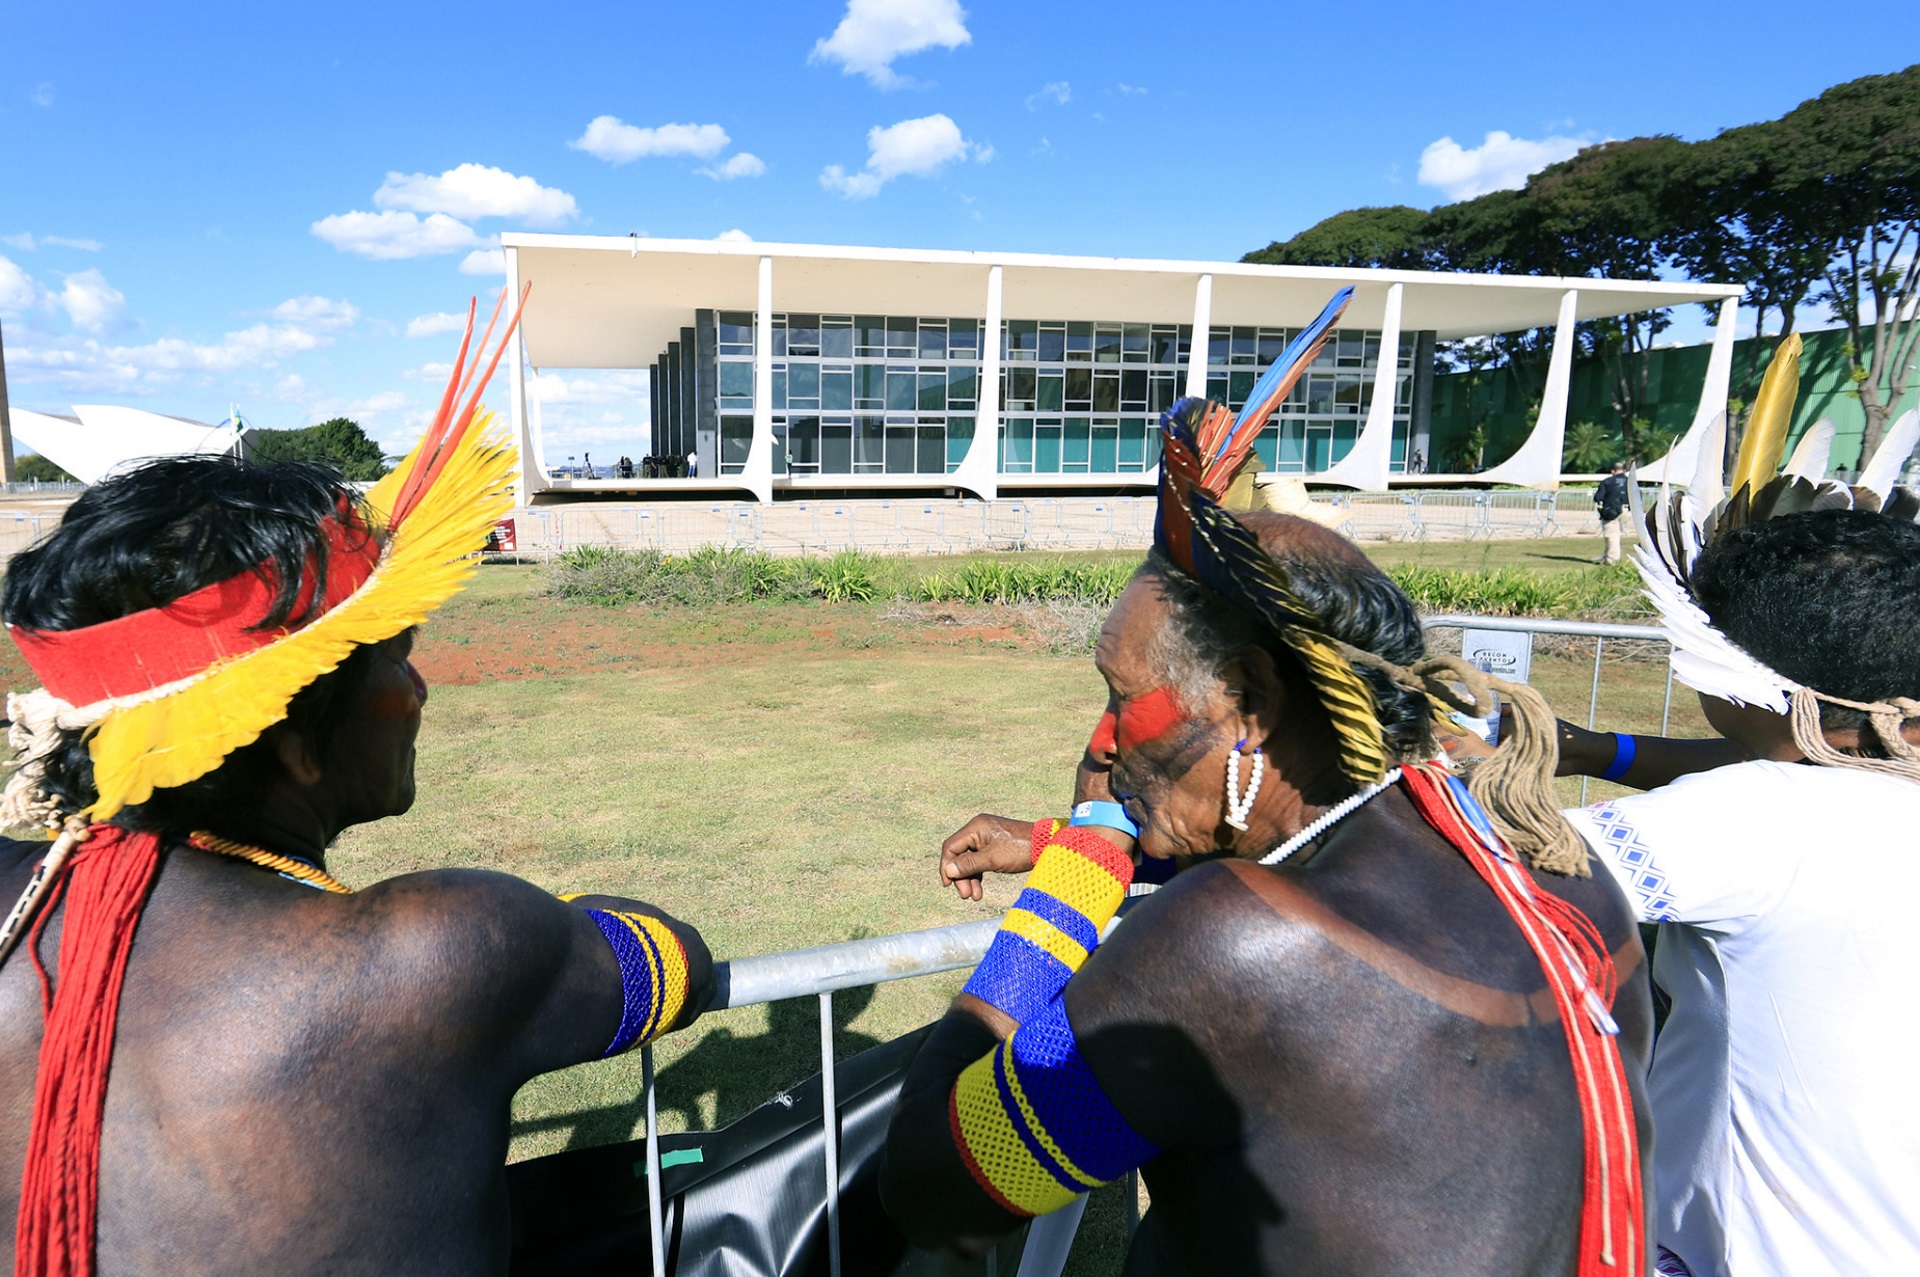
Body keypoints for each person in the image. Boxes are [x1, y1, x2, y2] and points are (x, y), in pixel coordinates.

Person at [882, 291, 1652, 1275]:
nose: (1105, 741)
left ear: (1247, 701)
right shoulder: (1558, 875)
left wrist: (1072, 875)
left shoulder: (1226, 946)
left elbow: (932, 1188)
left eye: (1122, 699)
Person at [0, 306, 713, 1276]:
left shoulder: (23, 899)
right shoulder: (440, 951)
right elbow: (679, 962)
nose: (416, 691)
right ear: (294, 741)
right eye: (398, 656)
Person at [1595, 460, 1629, 564]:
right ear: (1624, 470)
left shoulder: (1607, 482)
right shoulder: (1630, 482)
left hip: (1611, 510)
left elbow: (1598, 497)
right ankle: (1606, 557)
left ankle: (1611, 560)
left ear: (1613, 471)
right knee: (1617, 534)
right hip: (1626, 510)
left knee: (1611, 535)